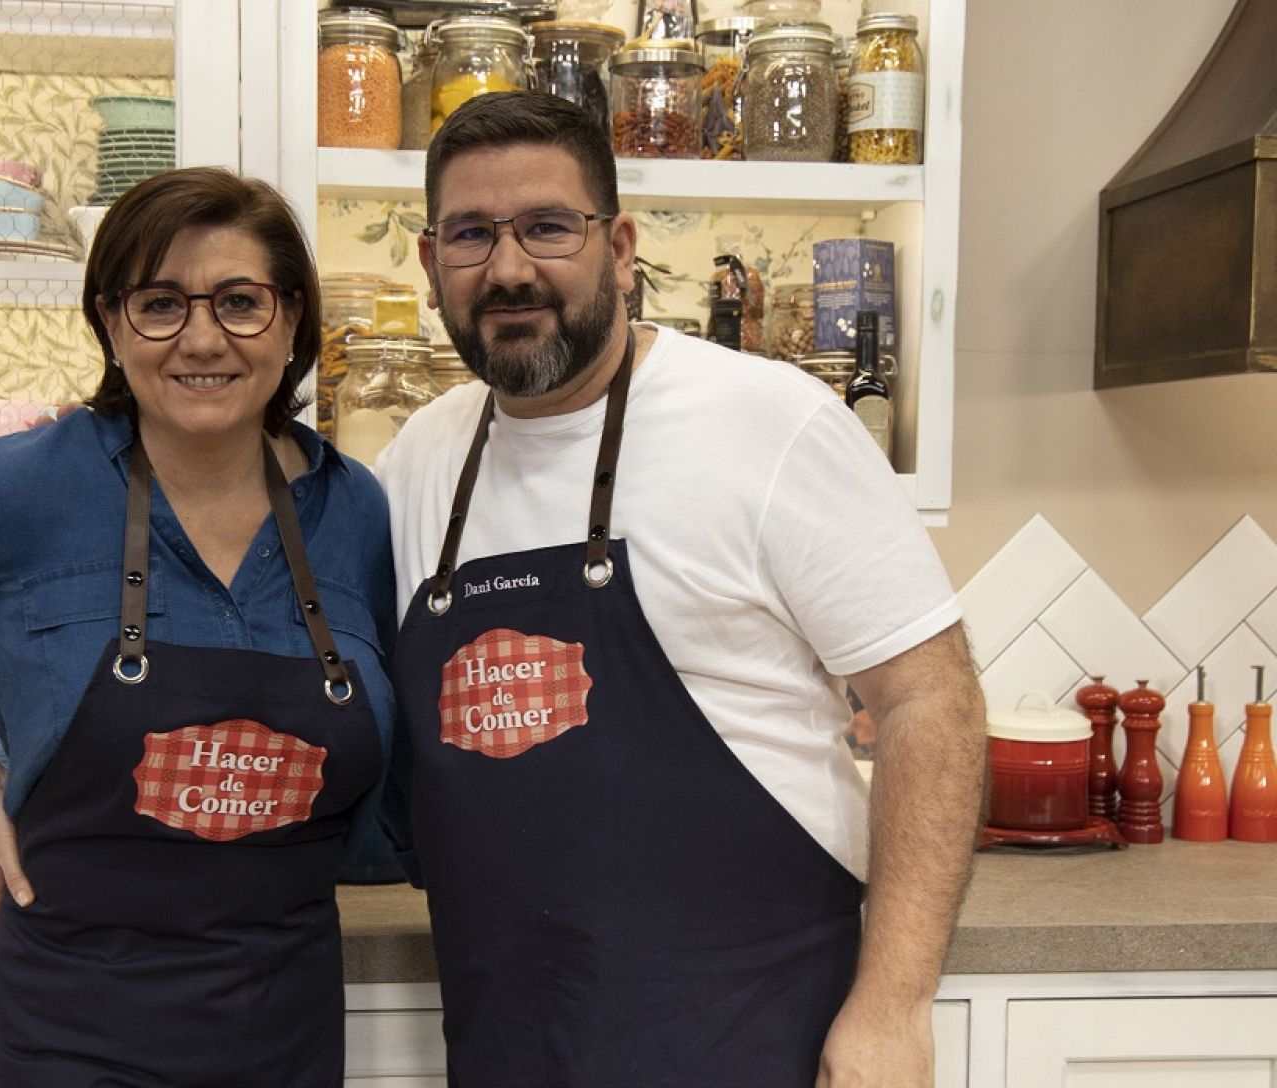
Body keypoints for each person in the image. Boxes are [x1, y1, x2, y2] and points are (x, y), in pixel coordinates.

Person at [374, 92, 986, 1087]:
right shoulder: (417, 460)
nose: (509, 267)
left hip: (748, 1040)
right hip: (507, 1049)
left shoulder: (769, 422)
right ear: (428, 259)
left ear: (618, 247)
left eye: (547, 227)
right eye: (471, 234)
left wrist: (893, 1005)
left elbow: (933, 699)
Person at [0, 166, 398, 1087]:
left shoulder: (353, 510)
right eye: (161, 303)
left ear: (293, 320)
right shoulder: (11, 492)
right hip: (71, 1025)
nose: (203, 338)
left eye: (242, 302)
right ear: (108, 321)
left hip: (280, 1020)